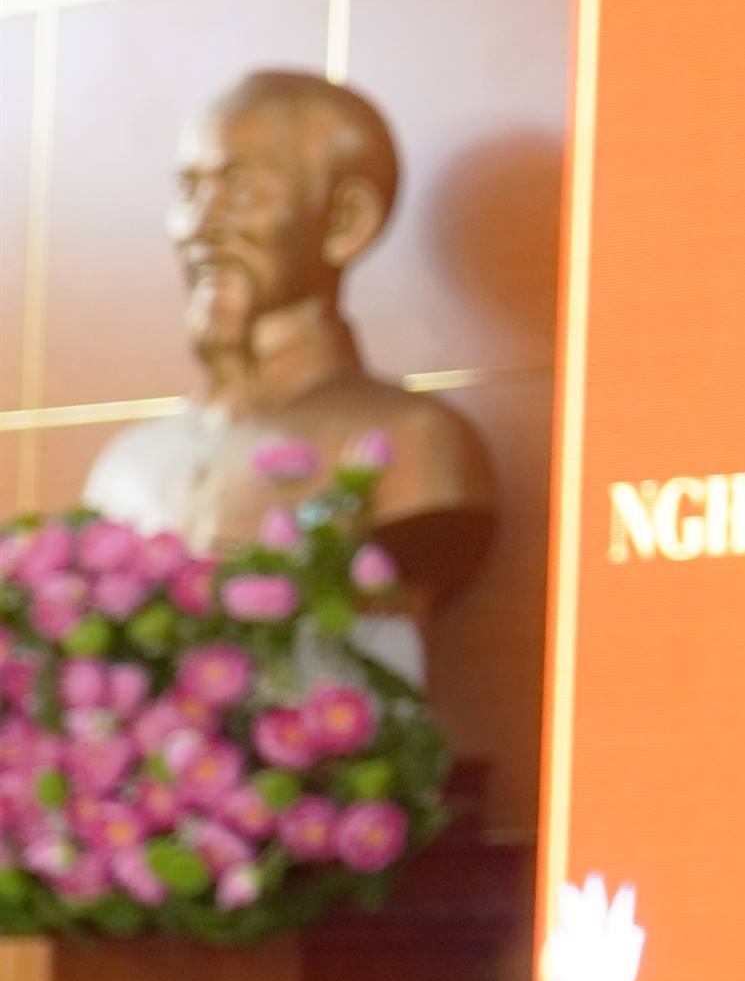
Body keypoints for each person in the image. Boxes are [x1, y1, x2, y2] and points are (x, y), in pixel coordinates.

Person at [87, 69, 496, 630]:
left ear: (346, 222)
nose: (198, 226)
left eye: (239, 189)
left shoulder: (413, 445)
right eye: (189, 190)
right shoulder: (125, 469)